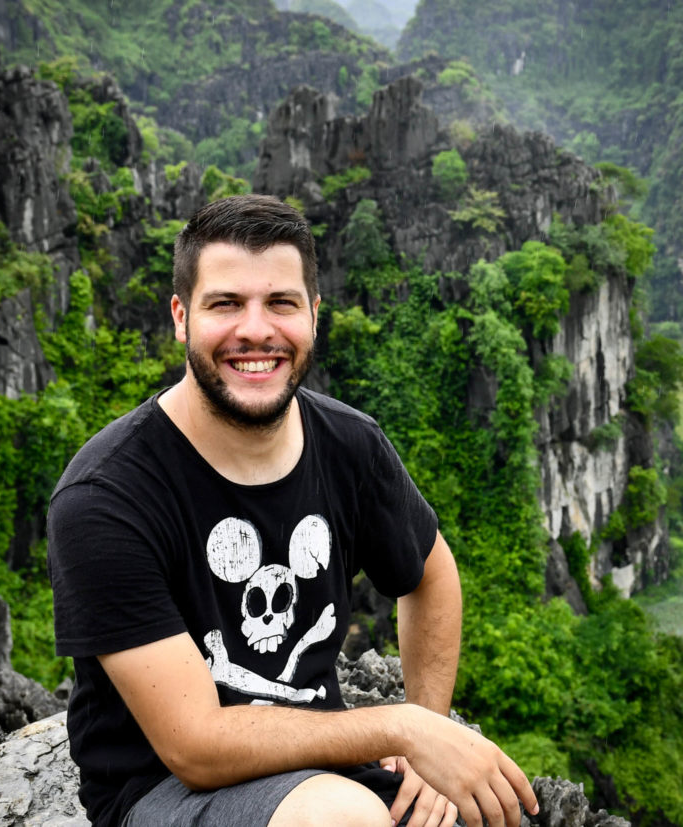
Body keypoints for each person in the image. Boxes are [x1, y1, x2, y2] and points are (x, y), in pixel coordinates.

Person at [47, 194, 538, 827]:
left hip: (320, 766)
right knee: (344, 820)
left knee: (490, 813)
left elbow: (431, 576)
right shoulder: (107, 497)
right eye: (225, 304)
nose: (256, 330)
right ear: (180, 317)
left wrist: (428, 741)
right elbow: (194, 746)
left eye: (281, 302)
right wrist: (403, 727)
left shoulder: (349, 445)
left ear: (313, 315)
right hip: (164, 790)